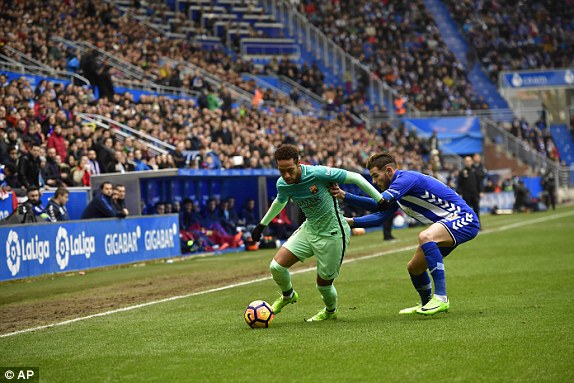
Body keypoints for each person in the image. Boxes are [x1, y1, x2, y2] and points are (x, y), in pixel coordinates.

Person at [330, 152, 480, 316]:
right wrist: (350, 222)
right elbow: (380, 216)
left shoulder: (405, 180)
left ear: (388, 170)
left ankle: (441, 298)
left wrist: (344, 195)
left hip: (463, 219)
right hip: (446, 224)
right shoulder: (398, 189)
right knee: (414, 268)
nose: (374, 181)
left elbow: (376, 204)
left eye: (375, 176)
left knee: (425, 237)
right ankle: (427, 304)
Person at [250, 144, 384, 322]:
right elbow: (279, 201)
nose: (286, 176)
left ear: (299, 163)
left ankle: (330, 311)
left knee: (323, 285)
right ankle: (288, 295)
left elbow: (355, 177)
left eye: (290, 170)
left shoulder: (318, 173)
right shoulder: (283, 184)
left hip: (333, 233)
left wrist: (380, 199)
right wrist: (261, 225)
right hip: (310, 229)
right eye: (282, 171)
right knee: (276, 267)